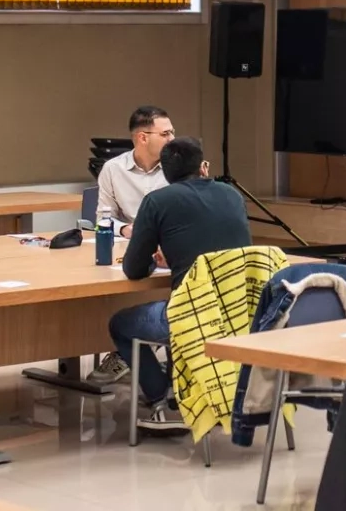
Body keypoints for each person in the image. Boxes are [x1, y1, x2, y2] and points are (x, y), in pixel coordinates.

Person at [108, 137, 252, 427]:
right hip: (241, 311)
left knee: (121, 324)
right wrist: (176, 256)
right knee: (180, 307)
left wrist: (155, 259)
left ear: (165, 172)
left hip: (191, 316)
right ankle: (181, 392)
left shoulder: (157, 201)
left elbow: (133, 269)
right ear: (203, 167)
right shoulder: (232, 195)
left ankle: (160, 395)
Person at [89, 105, 175, 385]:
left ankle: (154, 364)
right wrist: (126, 229)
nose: (172, 139)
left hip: (170, 248)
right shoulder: (113, 169)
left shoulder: (177, 168)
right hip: (130, 246)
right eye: (165, 133)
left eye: (172, 132)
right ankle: (127, 353)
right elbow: (103, 218)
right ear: (142, 137)